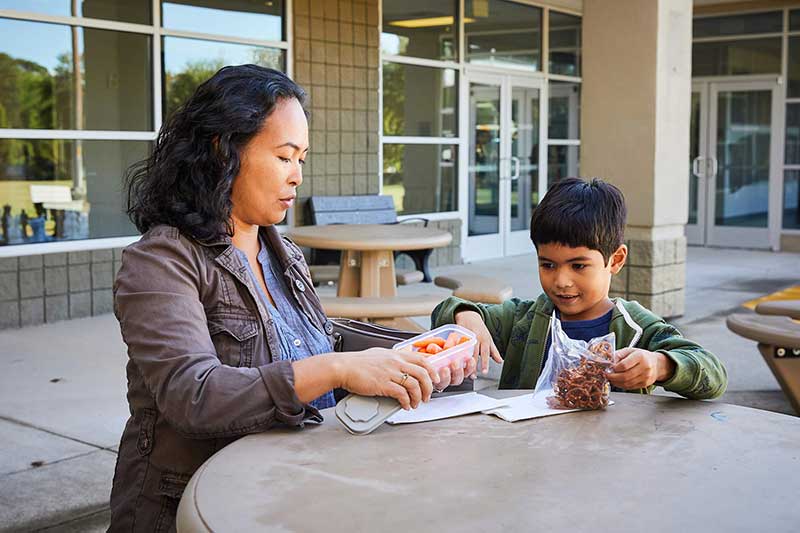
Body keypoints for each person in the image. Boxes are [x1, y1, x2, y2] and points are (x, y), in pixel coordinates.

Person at [109, 65, 474, 532]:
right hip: (191, 508)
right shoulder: (160, 262)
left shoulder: (279, 250)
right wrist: (335, 370)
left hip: (283, 493)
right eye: (284, 157)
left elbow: (316, 343)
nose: (298, 176)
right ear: (224, 151)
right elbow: (192, 394)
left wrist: (423, 356)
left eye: (302, 158)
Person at [431, 177, 727, 399]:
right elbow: (444, 313)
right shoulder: (523, 320)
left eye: (578, 266)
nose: (561, 281)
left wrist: (662, 365)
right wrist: (465, 317)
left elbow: (713, 374)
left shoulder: (637, 328)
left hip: (607, 461)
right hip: (526, 455)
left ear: (616, 260)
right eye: (548, 265)